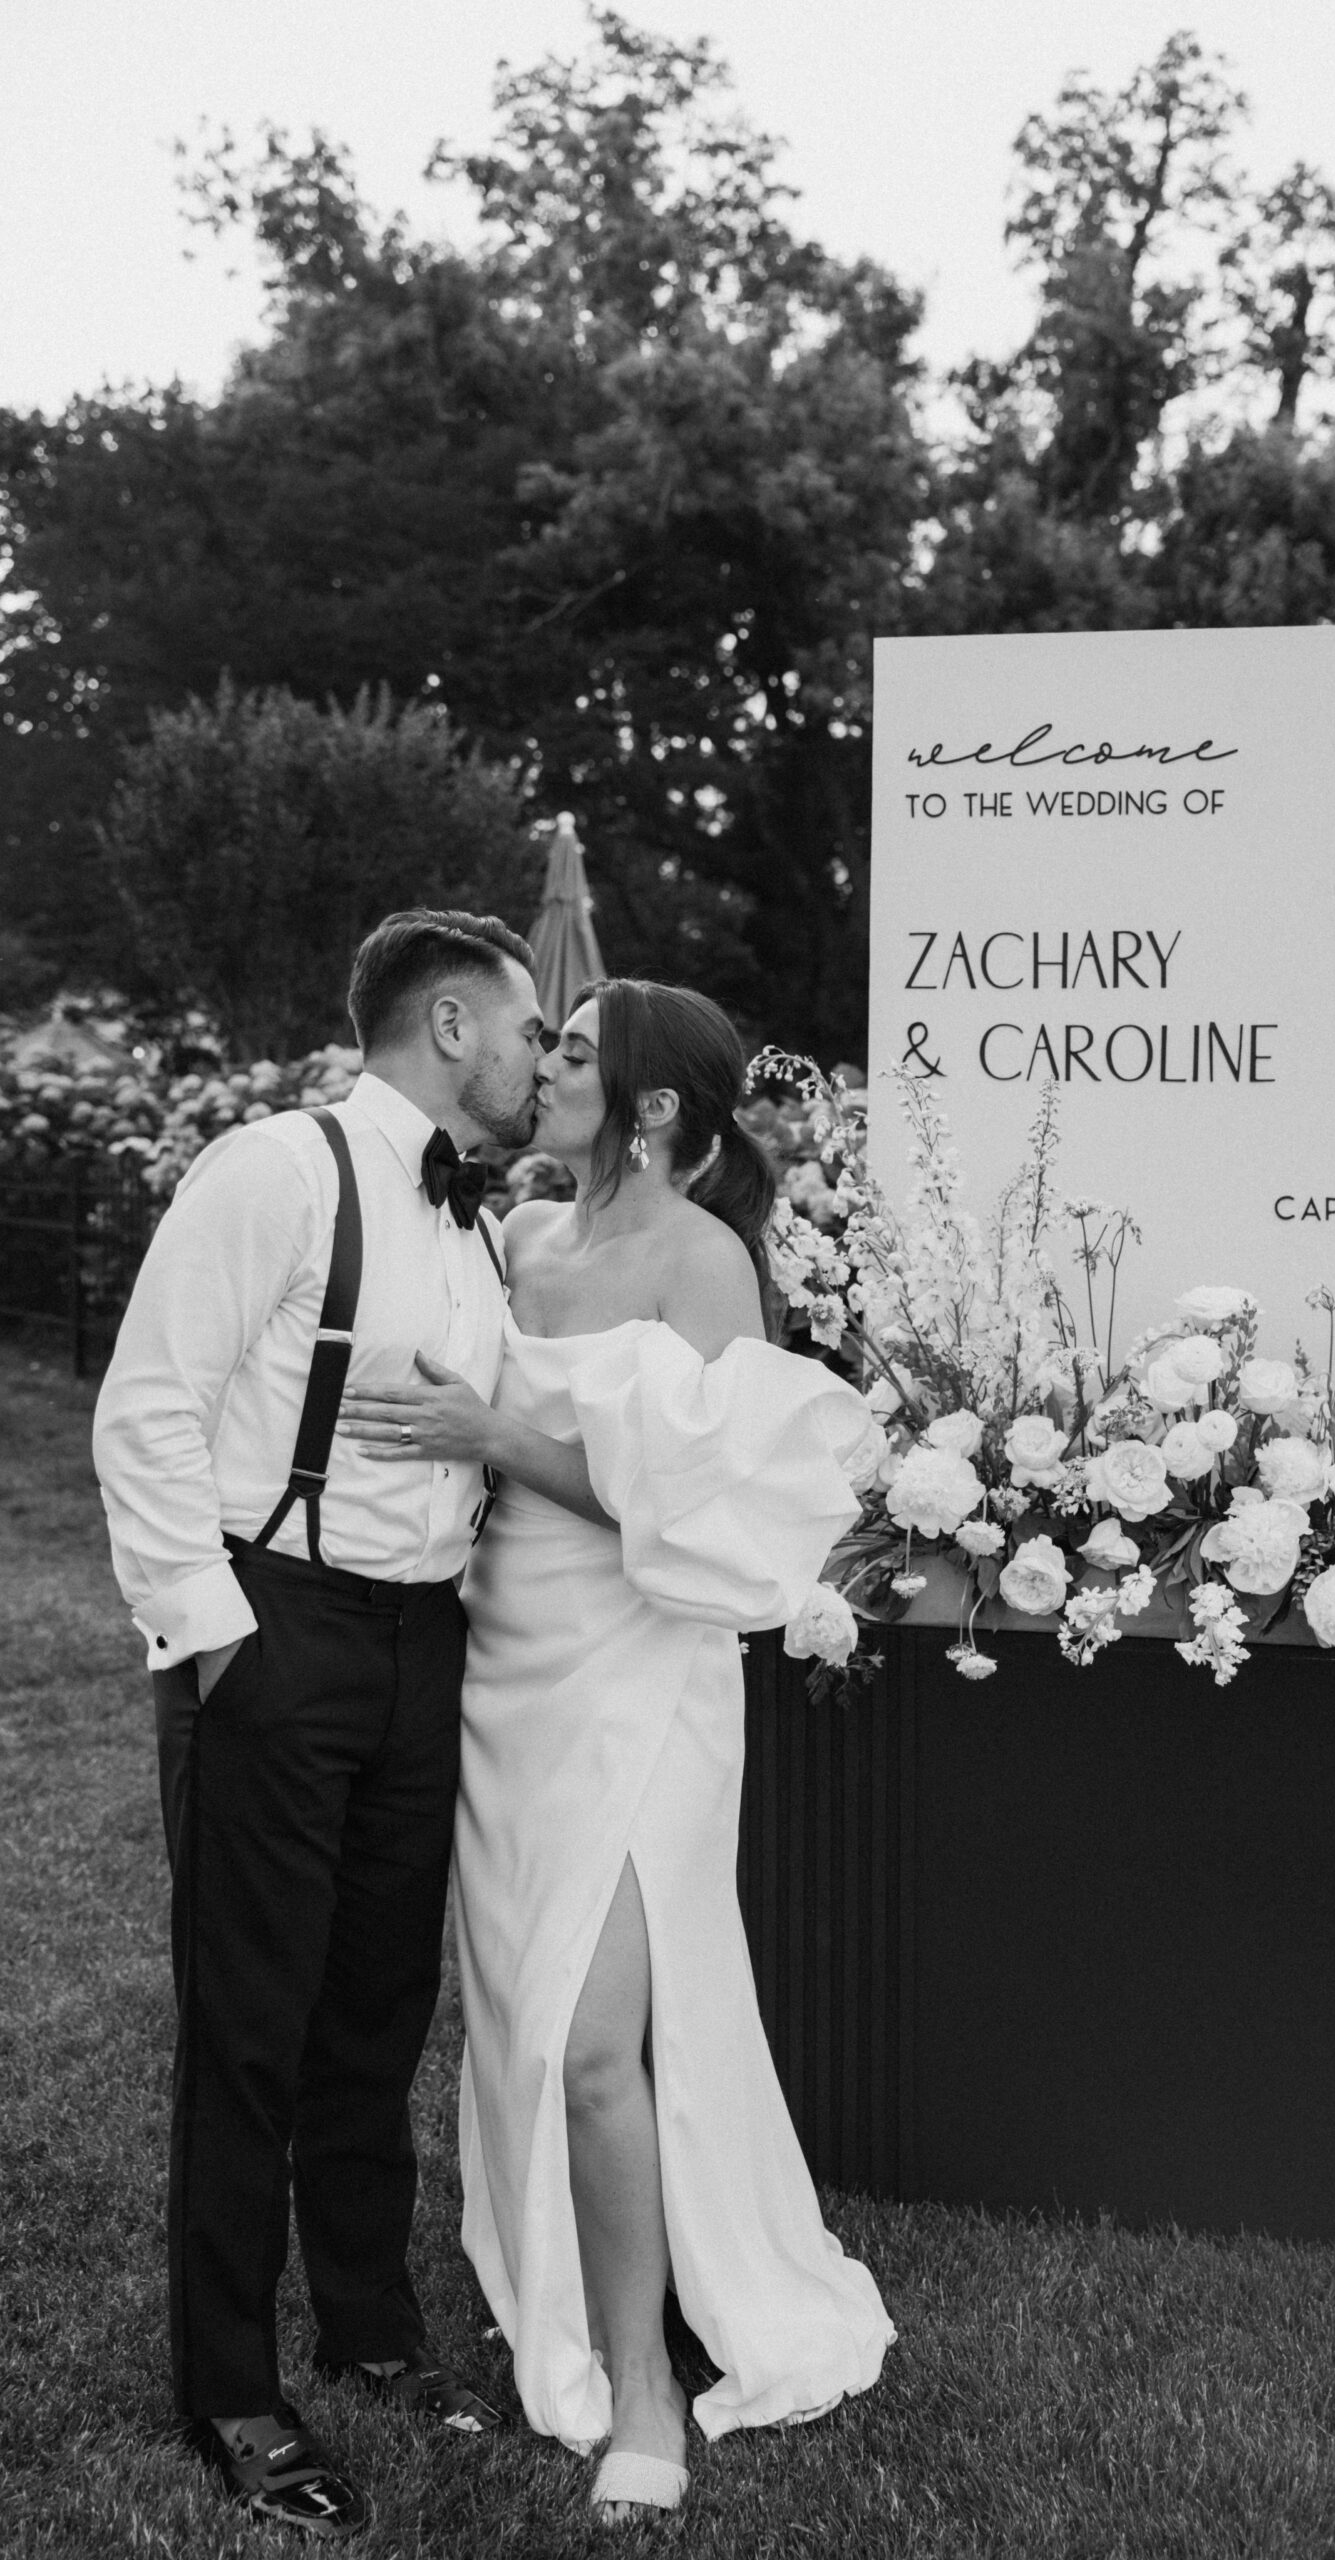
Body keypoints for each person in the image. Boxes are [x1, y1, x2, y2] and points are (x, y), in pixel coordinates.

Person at [337, 977, 892, 2527]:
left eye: (576, 1053)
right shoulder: (515, 1237)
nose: (545, 1066)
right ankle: (569, 2298)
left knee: (595, 2045)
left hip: (639, 1678)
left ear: (652, 1108)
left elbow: (719, 1526)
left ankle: (645, 2390)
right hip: (498, 1668)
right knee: (521, 2023)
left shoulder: (704, 1262)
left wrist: (498, 1441)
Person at [92, 909, 561, 2541]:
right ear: (448, 1025)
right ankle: (230, 2385)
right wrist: (219, 1647)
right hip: (272, 1631)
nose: (538, 1058)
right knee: (252, 2025)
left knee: (377, 2009)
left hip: (423, 1643)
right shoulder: (274, 1171)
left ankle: (370, 2331)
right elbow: (146, 1403)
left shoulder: (477, 1224)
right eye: (525, 1032)